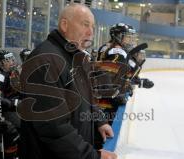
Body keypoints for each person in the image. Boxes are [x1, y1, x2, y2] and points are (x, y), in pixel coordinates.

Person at [19, 4, 117, 159]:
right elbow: (53, 127)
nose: (91, 32)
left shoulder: (77, 57)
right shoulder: (45, 60)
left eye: (92, 26)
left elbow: (87, 97)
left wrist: (99, 121)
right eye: (85, 24)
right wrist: (91, 156)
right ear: (65, 25)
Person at [0, 50, 21, 129]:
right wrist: (13, 102)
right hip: (6, 109)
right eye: (7, 61)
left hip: (15, 105)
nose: (12, 62)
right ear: (0, 64)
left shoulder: (12, 73)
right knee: (22, 125)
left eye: (12, 59)